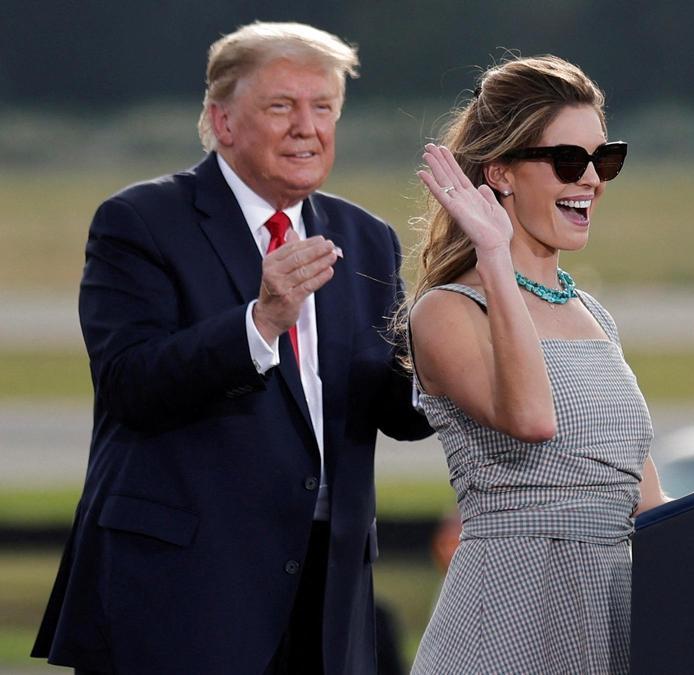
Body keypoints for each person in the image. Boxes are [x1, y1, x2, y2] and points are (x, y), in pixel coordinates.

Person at [31, 22, 431, 675]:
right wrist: (261, 321)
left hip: (326, 601)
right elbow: (130, 383)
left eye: (324, 106)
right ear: (222, 121)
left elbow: (392, 405)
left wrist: (448, 352)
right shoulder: (139, 222)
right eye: (282, 106)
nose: (308, 126)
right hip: (184, 597)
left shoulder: (367, 239)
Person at [397, 55, 669, 674]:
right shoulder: (448, 310)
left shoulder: (592, 312)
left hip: (612, 610)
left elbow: (644, 498)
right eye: (569, 161)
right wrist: (494, 257)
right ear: (502, 173)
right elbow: (531, 417)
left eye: (606, 159)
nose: (593, 180)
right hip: (513, 609)